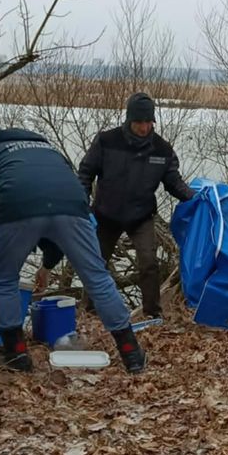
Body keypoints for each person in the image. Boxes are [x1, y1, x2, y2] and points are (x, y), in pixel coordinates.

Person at [0, 128, 145, 374]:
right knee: (98, 278)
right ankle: (131, 353)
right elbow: (56, 207)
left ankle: (17, 354)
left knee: (4, 280)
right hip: (74, 210)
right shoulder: (53, 152)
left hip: (18, 209)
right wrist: (48, 265)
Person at [77, 93, 195, 319]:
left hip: (141, 216)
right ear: (129, 120)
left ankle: (152, 314)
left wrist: (195, 197)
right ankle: (89, 312)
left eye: (148, 122)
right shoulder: (106, 141)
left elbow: (174, 182)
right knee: (96, 263)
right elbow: (85, 173)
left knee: (149, 263)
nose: (143, 127)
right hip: (105, 214)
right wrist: (81, 204)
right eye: (139, 122)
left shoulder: (162, 149)